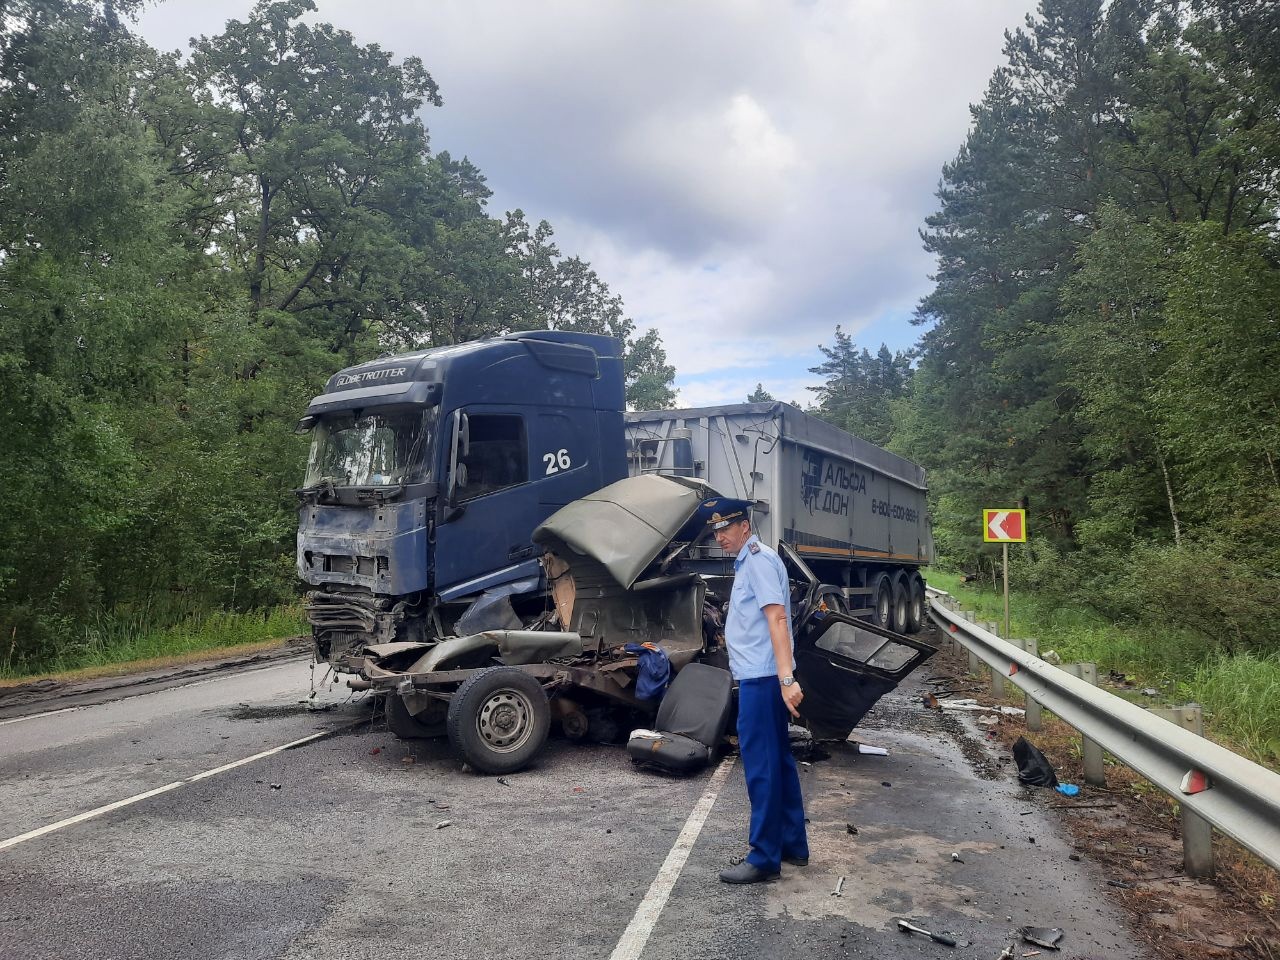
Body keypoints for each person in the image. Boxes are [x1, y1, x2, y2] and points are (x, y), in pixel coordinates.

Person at [704, 497, 809, 884]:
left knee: (762, 767)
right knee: (778, 760)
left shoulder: (758, 560)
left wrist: (786, 679)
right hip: (762, 676)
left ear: (744, 527)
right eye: (715, 530)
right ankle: (792, 844)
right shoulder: (751, 560)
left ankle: (764, 856)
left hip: (762, 679)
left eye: (726, 528)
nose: (720, 536)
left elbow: (777, 618)